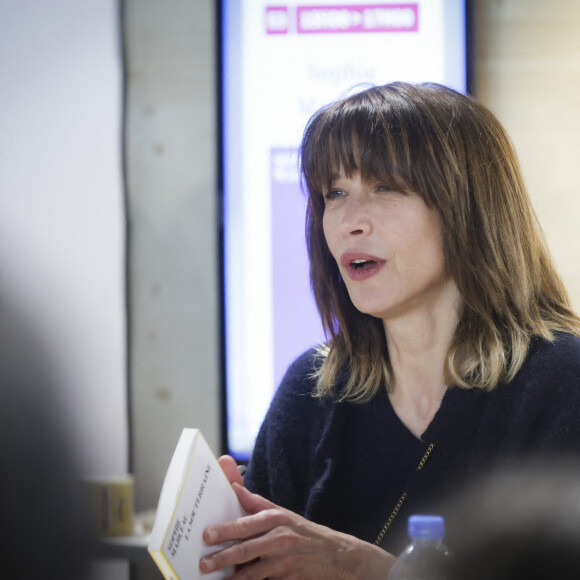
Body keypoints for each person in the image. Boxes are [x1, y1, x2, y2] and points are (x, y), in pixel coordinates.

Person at [200, 81, 580, 578]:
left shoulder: (562, 384)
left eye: (384, 187)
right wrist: (224, 543)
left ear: (469, 207)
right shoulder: (310, 391)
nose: (349, 222)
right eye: (334, 193)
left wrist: (373, 571)